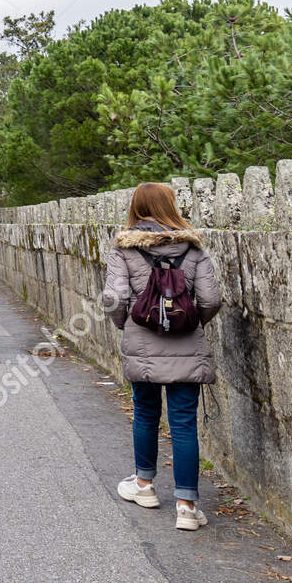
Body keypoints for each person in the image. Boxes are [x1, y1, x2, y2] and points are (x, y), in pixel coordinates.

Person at [100, 181, 223, 531]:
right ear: (171, 205)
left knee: (146, 412)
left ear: (136, 208)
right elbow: (211, 299)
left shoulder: (123, 249)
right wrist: (190, 321)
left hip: (143, 344)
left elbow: (113, 298)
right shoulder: (193, 248)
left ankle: (144, 486)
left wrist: (128, 323)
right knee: (183, 422)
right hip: (187, 344)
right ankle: (187, 506)